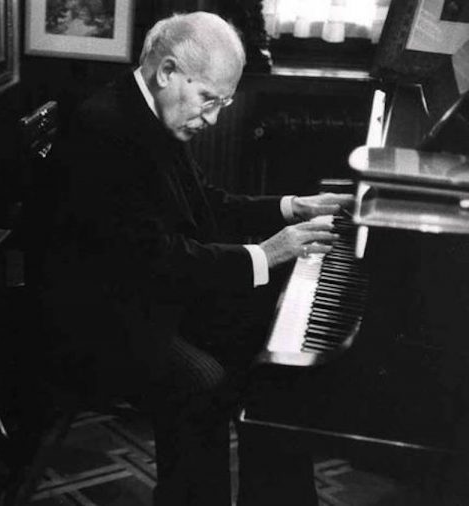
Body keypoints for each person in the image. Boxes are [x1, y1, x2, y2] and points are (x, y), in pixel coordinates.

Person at [36, 11, 353, 506]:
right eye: (209, 99)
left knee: (277, 351)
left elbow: (205, 204)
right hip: (99, 318)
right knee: (203, 380)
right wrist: (267, 253)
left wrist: (292, 206)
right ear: (168, 71)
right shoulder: (105, 129)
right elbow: (151, 260)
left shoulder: (151, 111)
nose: (214, 119)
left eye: (223, 104)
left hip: (147, 293)